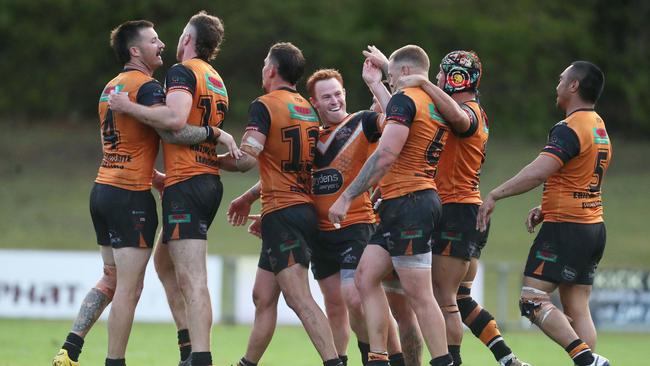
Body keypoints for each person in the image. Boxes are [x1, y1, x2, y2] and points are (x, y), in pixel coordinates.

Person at [227, 65, 414, 366]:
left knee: (356, 297)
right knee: (335, 306)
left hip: (356, 225)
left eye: (338, 94)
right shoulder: (310, 135)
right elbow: (289, 175)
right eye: (326, 97)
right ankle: (339, 359)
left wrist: (377, 84)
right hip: (321, 232)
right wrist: (251, 199)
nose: (334, 101)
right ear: (314, 102)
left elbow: (397, 120)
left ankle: (388, 359)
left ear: (345, 95)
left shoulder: (363, 122)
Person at [378, 49, 529, 366]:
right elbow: (402, 114)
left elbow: (459, 121)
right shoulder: (449, 111)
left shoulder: (469, 111)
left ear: (457, 79)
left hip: (456, 211)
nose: (436, 80)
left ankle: (451, 362)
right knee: (459, 299)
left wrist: (420, 82)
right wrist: (388, 73)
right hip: (464, 212)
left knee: (443, 301)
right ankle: (507, 358)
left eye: (440, 76)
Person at [108, 11, 239, 366]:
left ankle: (200, 357)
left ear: (188, 40)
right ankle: (186, 344)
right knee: (165, 264)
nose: (168, 43)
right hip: (204, 180)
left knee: (192, 277)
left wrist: (129, 107)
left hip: (189, 184)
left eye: (178, 35)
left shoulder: (183, 71)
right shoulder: (216, 78)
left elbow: (175, 123)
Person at [329, 44, 466, 366]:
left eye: (391, 78)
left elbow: (386, 153)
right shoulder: (430, 102)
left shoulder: (408, 99)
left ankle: (443, 361)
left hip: (410, 202)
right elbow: (399, 118)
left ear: (405, 72)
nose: (390, 84)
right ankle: (379, 357)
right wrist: (376, 82)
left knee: (419, 295)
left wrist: (347, 195)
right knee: (365, 276)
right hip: (402, 204)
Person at [476, 61, 611, 366]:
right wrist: (547, 205)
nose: (557, 84)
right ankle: (589, 362)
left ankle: (586, 360)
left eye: (562, 79)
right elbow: (581, 177)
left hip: (567, 229)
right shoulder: (599, 127)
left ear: (574, 86)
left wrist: (496, 193)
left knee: (531, 300)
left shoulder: (570, 128)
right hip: (593, 226)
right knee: (577, 307)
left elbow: (538, 172)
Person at [221, 42, 343, 366]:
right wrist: (251, 197)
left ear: (272, 70)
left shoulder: (265, 105)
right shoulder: (307, 108)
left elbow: (247, 158)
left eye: (264, 63)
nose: (262, 68)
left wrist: (208, 161)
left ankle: (335, 362)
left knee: (299, 298)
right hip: (296, 209)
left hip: (285, 215)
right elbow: (287, 165)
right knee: (263, 296)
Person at [52, 20, 166, 366]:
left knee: (112, 279)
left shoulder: (110, 87)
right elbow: (171, 122)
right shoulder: (145, 87)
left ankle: (69, 349)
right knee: (130, 289)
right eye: (154, 40)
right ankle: (114, 362)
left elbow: (127, 143)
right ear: (135, 51)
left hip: (103, 190)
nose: (161, 44)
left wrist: (154, 175)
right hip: (129, 196)